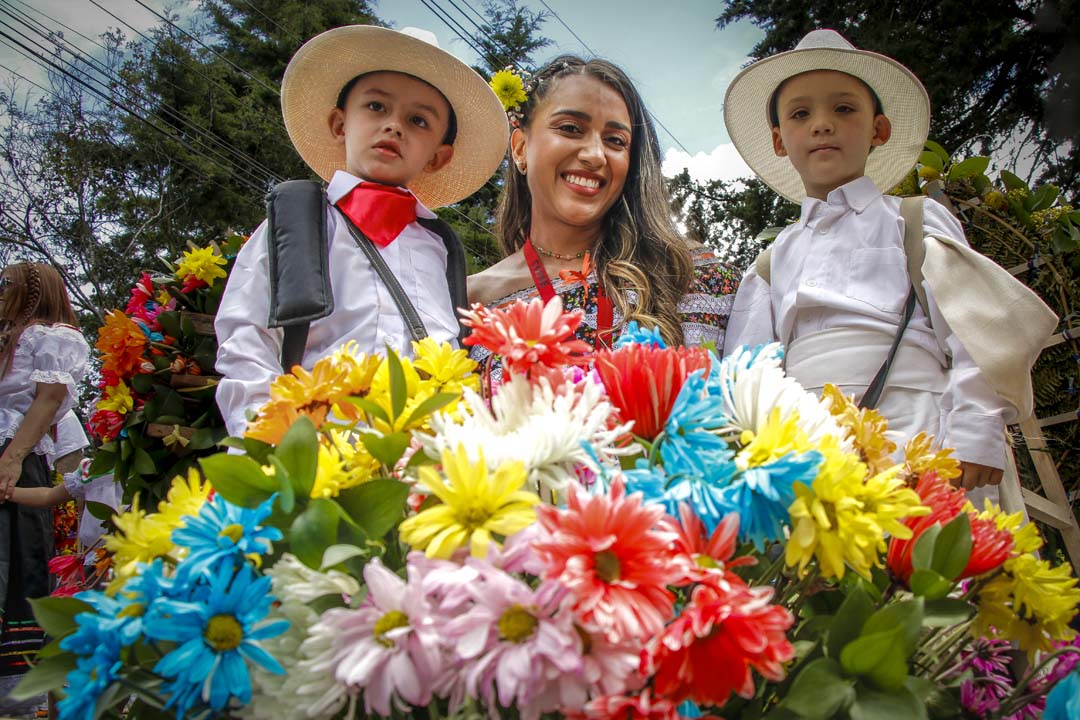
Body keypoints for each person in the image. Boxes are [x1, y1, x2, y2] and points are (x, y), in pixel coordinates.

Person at [721, 30, 1056, 504]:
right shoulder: (770, 264)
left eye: (843, 109)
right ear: (779, 140)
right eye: (801, 114)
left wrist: (976, 427)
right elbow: (748, 374)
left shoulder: (913, 219)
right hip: (808, 449)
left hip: (921, 430)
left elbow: (971, 328)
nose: (822, 124)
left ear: (879, 130)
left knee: (927, 566)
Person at [215, 25, 508, 436]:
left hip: (417, 464)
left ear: (438, 157)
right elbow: (246, 341)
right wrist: (271, 446)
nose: (394, 126)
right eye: (375, 107)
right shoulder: (297, 223)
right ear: (339, 123)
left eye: (419, 120)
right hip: (316, 458)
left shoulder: (440, 249)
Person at [468, 55, 740, 385]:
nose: (595, 155)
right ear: (521, 147)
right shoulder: (471, 304)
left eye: (615, 140)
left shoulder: (695, 277)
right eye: (570, 129)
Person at [0, 262, 89, 701]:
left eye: (5, 284)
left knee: (15, 562)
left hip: (11, 454)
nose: (0, 292)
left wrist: (13, 459)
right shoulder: (9, 339)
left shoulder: (50, 336)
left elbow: (49, 397)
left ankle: (17, 689)